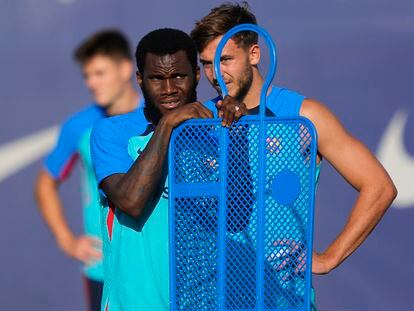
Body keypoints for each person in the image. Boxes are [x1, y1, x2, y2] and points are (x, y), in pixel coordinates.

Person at [190, 1, 397, 309]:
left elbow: (379, 187)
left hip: (287, 301)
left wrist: (328, 259)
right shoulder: (199, 122)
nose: (215, 73)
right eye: (207, 63)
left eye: (226, 60)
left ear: (255, 54)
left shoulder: (303, 116)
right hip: (213, 301)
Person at [90, 28, 217, 311]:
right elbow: (131, 202)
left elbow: (237, 218)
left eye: (178, 76)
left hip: (201, 303)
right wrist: (167, 125)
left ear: (196, 75)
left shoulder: (215, 131)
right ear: (140, 80)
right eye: (157, 79)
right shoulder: (111, 132)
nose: (169, 89)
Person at [34, 29, 141, 311]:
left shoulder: (158, 118)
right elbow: (45, 185)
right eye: (87, 76)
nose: (92, 83)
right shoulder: (78, 127)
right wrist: (67, 240)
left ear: (126, 68)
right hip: (102, 270)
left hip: (154, 264)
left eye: (99, 73)